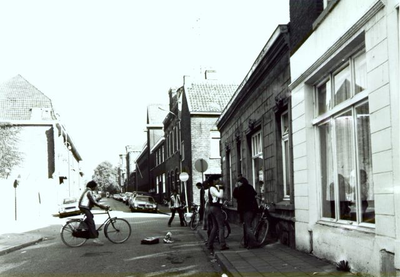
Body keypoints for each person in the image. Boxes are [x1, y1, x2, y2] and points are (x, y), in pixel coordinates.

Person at [78, 180, 110, 246]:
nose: (95, 188)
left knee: (91, 217)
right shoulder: (89, 192)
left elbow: (94, 201)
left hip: (83, 207)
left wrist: (101, 206)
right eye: (95, 187)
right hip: (84, 207)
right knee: (91, 222)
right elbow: (94, 202)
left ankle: (82, 227)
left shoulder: (87, 190)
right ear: (92, 186)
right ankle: (95, 238)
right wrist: (103, 207)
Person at [233, 174, 260, 249]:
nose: (237, 184)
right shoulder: (250, 187)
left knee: (247, 227)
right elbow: (255, 194)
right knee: (248, 226)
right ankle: (248, 242)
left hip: (246, 210)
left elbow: (235, 195)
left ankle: (254, 242)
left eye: (238, 182)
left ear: (241, 182)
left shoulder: (240, 189)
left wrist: (235, 188)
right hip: (252, 209)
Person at [207, 179, 229, 253]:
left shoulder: (213, 188)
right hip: (216, 208)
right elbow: (220, 195)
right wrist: (222, 188)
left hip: (213, 208)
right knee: (221, 226)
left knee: (215, 227)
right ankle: (222, 244)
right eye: (217, 180)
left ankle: (209, 244)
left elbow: (219, 197)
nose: (219, 181)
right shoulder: (213, 188)